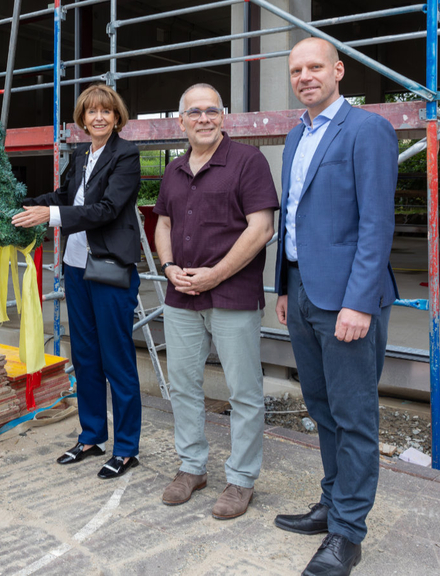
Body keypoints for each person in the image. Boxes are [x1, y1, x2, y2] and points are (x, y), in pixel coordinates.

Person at [273, 38, 399, 576]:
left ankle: (348, 533)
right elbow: (293, 219)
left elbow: (376, 224)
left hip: (346, 300)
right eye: (296, 69)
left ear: (338, 71)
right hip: (302, 292)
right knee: (322, 409)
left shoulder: (367, 130)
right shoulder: (295, 135)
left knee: (354, 416)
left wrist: (359, 303)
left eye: (315, 67)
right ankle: (332, 503)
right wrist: (283, 287)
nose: (305, 76)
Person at [153, 83, 277, 518]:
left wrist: (215, 275)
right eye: (194, 112)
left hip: (231, 295)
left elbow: (261, 229)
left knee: (244, 391)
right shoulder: (174, 169)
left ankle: (241, 479)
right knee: (183, 386)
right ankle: (192, 467)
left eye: (211, 111)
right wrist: (168, 268)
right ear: (181, 121)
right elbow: (162, 224)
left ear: (223, 117)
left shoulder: (248, 162)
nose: (203, 118)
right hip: (180, 294)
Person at [12, 84, 142, 480]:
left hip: (109, 267)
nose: (98, 118)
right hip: (76, 266)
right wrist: (29, 205)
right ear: (82, 120)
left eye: (105, 111)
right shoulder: (81, 155)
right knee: (85, 356)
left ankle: (126, 448)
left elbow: (105, 209)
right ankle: (91, 436)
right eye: (91, 112)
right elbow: (62, 195)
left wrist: (49, 217)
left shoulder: (126, 156)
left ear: (116, 116)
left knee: (116, 358)